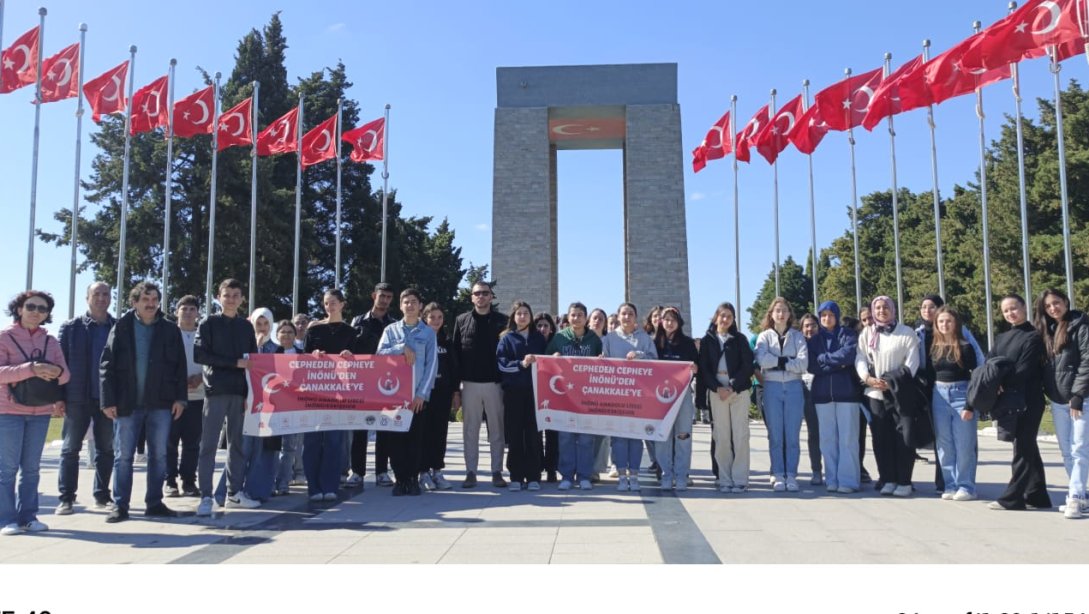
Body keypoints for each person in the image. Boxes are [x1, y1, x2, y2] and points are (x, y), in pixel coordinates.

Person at [99, 281, 188, 523]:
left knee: (159, 456)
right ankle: (120, 505)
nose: (150, 304)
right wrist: (107, 401)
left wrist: (181, 398)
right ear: (135, 302)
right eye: (145, 299)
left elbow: (180, 366)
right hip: (127, 403)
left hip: (161, 403)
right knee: (124, 456)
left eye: (154, 300)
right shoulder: (122, 326)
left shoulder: (170, 330)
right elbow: (106, 365)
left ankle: (155, 502)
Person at [0, 290, 68, 535]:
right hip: (8, 411)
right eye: (31, 307)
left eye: (42, 309)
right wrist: (31, 369)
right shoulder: (4, 337)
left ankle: (29, 516)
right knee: (6, 469)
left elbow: (66, 374)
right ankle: (6, 520)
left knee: (31, 468)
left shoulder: (51, 341)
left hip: (40, 412)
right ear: (19, 309)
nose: (36, 312)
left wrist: (55, 372)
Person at [194, 279, 259, 516]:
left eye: (235, 295)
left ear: (242, 299)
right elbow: (200, 354)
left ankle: (234, 494)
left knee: (238, 445)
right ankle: (206, 497)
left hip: (240, 392)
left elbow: (253, 361)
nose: (231, 299)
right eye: (226, 294)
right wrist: (234, 363)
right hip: (216, 391)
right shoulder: (208, 323)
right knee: (209, 445)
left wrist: (251, 392)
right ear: (218, 297)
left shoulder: (246, 327)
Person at [56, 282, 116, 514]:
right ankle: (66, 498)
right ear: (87, 297)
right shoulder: (71, 328)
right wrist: (59, 398)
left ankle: (102, 495)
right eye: (97, 294)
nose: (102, 298)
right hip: (76, 397)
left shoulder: (117, 327)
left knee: (106, 449)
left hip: (106, 399)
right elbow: (60, 365)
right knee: (70, 449)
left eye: (106, 294)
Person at [989, 294, 1052, 511]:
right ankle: (1038, 495)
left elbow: (1024, 369)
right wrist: (993, 381)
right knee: (1028, 446)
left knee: (1023, 448)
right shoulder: (1001, 338)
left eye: (1014, 308)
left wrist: (1000, 382)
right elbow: (991, 363)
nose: (1010, 313)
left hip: (1029, 399)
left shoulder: (1033, 336)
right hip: (1010, 399)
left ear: (1024, 307)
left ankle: (1012, 497)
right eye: (1006, 310)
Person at [855, 296, 920, 497]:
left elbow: (912, 363)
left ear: (893, 309)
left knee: (903, 436)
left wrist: (892, 381)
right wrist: (867, 377)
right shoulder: (868, 333)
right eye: (878, 307)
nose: (882, 311)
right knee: (881, 438)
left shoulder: (906, 333)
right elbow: (860, 357)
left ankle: (904, 481)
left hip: (900, 392)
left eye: (886, 307)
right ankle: (888, 478)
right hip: (875, 392)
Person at [377, 288, 438, 496]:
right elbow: (379, 356)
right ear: (400, 305)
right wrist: (401, 347)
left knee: (415, 439)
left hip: (416, 397)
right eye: (406, 301)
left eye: (414, 301)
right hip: (393, 396)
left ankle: (412, 479)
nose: (410, 305)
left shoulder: (428, 332)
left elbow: (431, 365)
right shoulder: (390, 330)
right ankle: (400, 478)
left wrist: (423, 393)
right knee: (395, 441)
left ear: (420, 306)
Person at [1034, 288, 1089, 518]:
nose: (1053, 308)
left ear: (1065, 301)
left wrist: (1078, 393)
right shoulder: (1048, 330)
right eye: (1048, 306)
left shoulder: (1081, 324)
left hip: (1080, 400)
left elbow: (1087, 359)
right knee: (1067, 451)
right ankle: (1081, 496)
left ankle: (1075, 496)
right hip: (1057, 400)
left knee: (1079, 448)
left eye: (1056, 303)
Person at [452, 280, 509, 488]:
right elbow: (456, 354)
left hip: (495, 384)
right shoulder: (461, 320)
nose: (481, 296)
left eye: (485, 293)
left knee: (497, 431)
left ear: (491, 296)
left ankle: (496, 471)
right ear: (472, 297)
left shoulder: (504, 321)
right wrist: (455, 390)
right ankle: (471, 471)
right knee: (470, 430)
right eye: (478, 293)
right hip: (469, 384)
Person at [302, 288, 356, 502]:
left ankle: (331, 485)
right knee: (312, 441)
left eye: (333, 302)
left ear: (342, 304)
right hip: (314, 393)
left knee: (334, 441)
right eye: (326, 303)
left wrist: (350, 356)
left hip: (338, 394)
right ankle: (313, 487)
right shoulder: (314, 331)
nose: (329, 306)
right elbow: (301, 361)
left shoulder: (351, 333)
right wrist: (312, 356)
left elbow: (360, 364)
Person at [546, 302, 603, 491]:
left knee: (587, 438)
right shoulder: (559, 338)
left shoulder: (594, 339)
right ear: (568, 317)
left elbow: (603, 363)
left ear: (585, 318)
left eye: (580, 315)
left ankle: (585, 475)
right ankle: (567, 476)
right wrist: (553, 356)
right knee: (566, 437)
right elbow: (545, 361)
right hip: (565, 396)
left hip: (587, 396)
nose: (576, 318)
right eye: (573, 315)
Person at [807, 300, 862, 494]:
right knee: (827, 439)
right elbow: (812, 365)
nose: (826, 319)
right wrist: (836, 363)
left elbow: (848, 356)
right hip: (822, 395)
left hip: (846, 393)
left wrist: (825, 359)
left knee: (847, 438)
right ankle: (832, 478)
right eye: (823, 316)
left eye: (830, 315)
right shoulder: (814, 340)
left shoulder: (848, 334)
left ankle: (848, 480)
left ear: (836, 316)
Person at [602, 302, 658, 492]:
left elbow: (656, 361)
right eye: (624, 314)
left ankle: (634, 475)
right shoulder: (609, 338)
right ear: (618, 316)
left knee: (636, 437)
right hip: (617, 394)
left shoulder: (644, 338)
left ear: (635, 317)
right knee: (618, 438)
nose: (627, 317)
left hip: (639, 395)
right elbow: (603, 364)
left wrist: (640, 355)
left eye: (630, 314)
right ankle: (621, 474)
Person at [755, 297, 809, 492]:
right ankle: (777, 473)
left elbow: (803, 363)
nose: (781, 314)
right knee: (775, 434)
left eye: (784, 310)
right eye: (777, 310)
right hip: (772, 387)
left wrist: (777, 361)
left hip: (794, 387)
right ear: (771, 314)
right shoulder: (764, 337)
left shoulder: (797, 336)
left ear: (789, 314)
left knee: (792, 435)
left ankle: (791, 475)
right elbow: (761, 359)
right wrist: (787, 361)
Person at [929, 306, 979, 502]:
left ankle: (966, 486)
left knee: (964, 444)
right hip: (939, 395)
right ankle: (950, 484)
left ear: (956, 323)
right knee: (945, 444)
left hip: (961, 393)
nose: (944, 324)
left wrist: (969, 405)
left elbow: (975, 377)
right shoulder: (934, 347)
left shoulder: (965, 346)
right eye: (941, 321)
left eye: (948, 321)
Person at [496, 300, 548, 492]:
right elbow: (501, 364)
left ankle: (534, 476)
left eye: (526, 313)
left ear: (531, 316)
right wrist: (520, 364)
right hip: (514, 393)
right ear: (513, 317)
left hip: (535, 393)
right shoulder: (506, 339)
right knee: (515, 435)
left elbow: (549, 362)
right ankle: (516, 476)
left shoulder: (538, 339)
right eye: (519, 313)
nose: (523, 316)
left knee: (534, 435)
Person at [348, 283, 396, 488]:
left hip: (385, 383)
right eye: (382, 296)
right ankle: (357, 471)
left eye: (388, 297)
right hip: (361, 382)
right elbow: (348, 348)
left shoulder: (394, 325)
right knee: (359, 429)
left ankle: (382, 471)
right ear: (373, 296)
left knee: (384, 429)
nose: (384, 300)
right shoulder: (358, 322)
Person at [654, 306, 698, 491]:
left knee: (683, 435)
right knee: (662, 436)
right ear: (661, 322)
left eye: (673, 319)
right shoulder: (655, 343)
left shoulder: (687, 343)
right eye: (666, 319)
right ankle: (666, 474)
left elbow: (696, 365)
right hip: (660, 396)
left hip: (683, 394)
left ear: (679, 322)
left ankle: (681, 474)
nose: (669, 323)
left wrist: (694, 368)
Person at [165, 295, 203, 498]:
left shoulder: (202, 336)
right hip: (172, 397)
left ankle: (188, 481)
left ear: (197, 313)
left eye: (192, 309)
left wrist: (200, 377)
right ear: (177, 312)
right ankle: (169, 481)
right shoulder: (169, 334)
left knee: (192, 443)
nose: (188, 313)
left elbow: (210, 362)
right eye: (184, 308)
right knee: (169, 442)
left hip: (197, 397)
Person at [419, 302, 457, 491]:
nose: (436, 320)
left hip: (443, 392)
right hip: (424, 394)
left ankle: (437, 470)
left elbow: (453, 368)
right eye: (432, 317)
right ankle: (423, 471)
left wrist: (455, 392)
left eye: (439, 317)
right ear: (425, 318)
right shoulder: (419, 339)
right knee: (424, 432)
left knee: (439, 433)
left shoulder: (446, 341)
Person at [272, 320, 302, 496]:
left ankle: (283, 482)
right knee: (273, 448)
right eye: (282, 332)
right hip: (273, 406)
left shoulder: (303, 355)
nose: (286, 335)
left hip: (294, 406)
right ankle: (270, 481)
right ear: (277, 335)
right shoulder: (269, 354)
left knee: (290, 447)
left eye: (290, 332)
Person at [534, 312, 559, 482]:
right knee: (535, 434)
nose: (542, 329)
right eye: (539, 325)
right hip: (533, 392)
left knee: (552, 434)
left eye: (546, 326)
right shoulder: (530, 342)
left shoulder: (556, 344)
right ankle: (536, 467)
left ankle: (551, 469)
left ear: (551, 329)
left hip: (553, 395)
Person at [798, 313, 823, 485]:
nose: (810, 329)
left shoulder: (823, 344)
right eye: (806, 326)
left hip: (819, 391)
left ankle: (819, 470)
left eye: (813, 325)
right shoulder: (797, 345)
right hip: (799, 390)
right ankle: (814, 470)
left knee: (819, 433)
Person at [588, 307, 612, 479]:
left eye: (601, 319)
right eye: (595, 318)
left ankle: (595, 469)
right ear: (589, 320)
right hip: (584, 391)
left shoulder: (609, 341)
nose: (597, 321)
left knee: (601, 434)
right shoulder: (581, 340)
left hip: (604, 391)